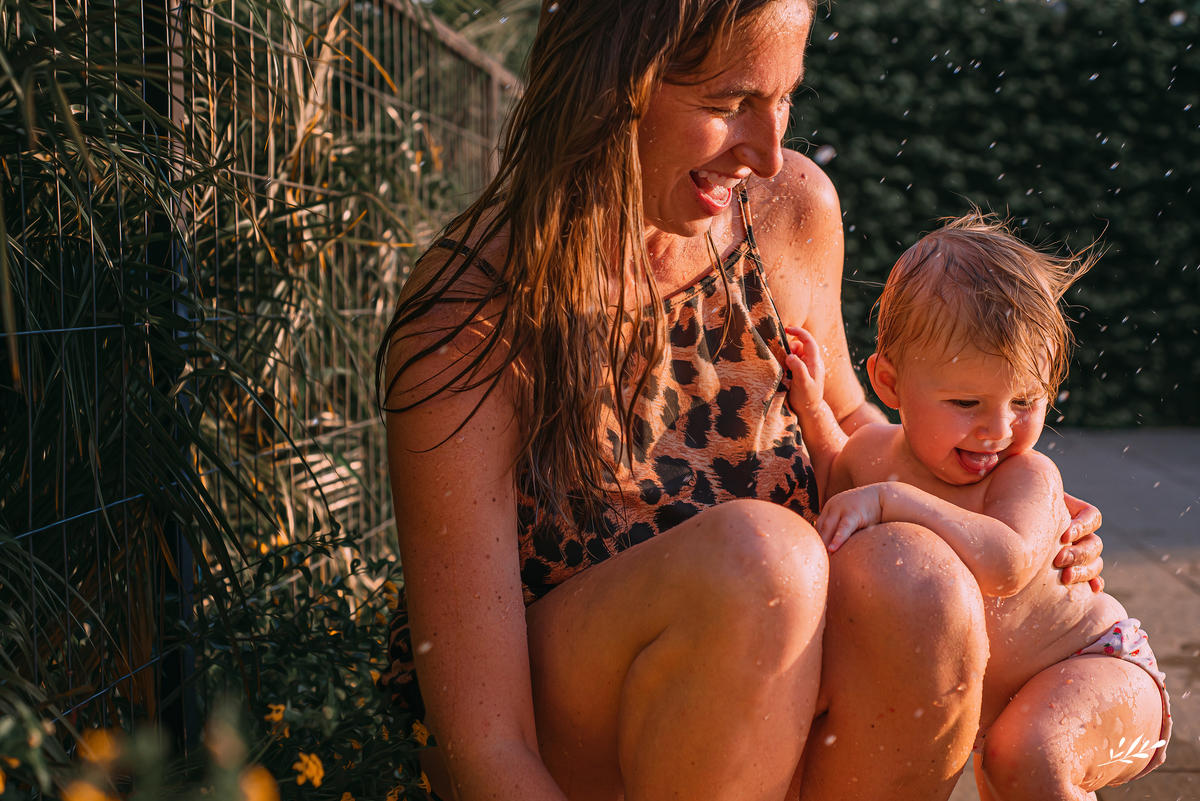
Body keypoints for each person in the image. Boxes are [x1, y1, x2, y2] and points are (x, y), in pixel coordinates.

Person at [374, 2, 1105, 799]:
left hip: (772, 714)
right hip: (575, 755)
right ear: (611, 87)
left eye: (785, 97)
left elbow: (854, 431)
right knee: (765, 560)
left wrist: (1005, 509)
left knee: (913, 577)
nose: (767, 153)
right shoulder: (472, 320)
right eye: (729, 106)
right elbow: (488, 745)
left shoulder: (788, 212)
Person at [784, 213, 1170, 800]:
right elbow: (837, 482)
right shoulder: (869, 452)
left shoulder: (1028, 475)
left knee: (1030, 755)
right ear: (889, 385)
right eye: (966, 402)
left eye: (1024, 400)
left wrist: (896, 501)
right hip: (1002, 705)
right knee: (1009, 764)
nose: (997, 429)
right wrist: (812, 409)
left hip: (1097, 665)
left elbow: (1008, 564)